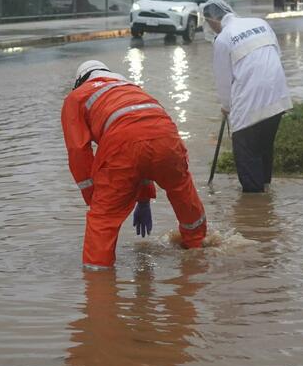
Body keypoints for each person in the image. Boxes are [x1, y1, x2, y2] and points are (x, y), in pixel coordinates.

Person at [61, 60, 207, 270]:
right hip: (167, 137)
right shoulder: (131, 87)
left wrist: (95, 198)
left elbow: (78, 152)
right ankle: (198, 250)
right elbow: (145, 143)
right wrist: (144, 200)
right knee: (183, 192)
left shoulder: (77, 97)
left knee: (102, 220)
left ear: (80, 81)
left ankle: (99, 284)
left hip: (122, 145)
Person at [203, 4, 292, 192]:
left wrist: (226, 106)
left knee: (247, 155)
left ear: (212, 21)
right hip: (277, 99)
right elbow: (276, 55)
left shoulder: (223, 39)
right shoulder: (260, 23)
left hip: (250, 104)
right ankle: (266, 193)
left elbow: (223, 80)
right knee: (264, 148)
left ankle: (254, 207)